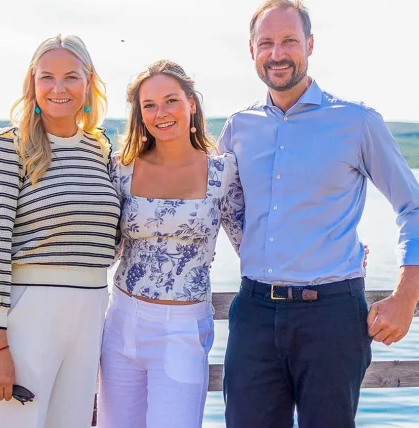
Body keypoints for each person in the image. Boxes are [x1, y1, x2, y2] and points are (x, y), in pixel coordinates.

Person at [219, 1, 419, 427]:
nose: (277, 54)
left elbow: (413, 207)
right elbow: (224, 212)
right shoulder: (238, 129)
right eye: (266, 43)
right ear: (251, 50)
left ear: (309, 45)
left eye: (289, 41)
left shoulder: (356, 122)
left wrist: (406, 296)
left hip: (331, 318)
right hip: (253, 313)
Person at [0, 34, 120, 428]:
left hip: (90, 315)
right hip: (27, 317)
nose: (58, 88)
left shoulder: (101, 151)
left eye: (70, 77)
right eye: (46, 77)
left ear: (88, 84)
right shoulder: (6, 148)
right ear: (32, 85)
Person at [97, 60, 244, 428]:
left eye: (171, 101)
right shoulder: (122, 169)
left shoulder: (222, 172)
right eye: (149, 105)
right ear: (140, 114)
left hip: (182, 327)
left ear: (191, 104)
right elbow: (102, 248)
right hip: (120, 322)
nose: (161, 113)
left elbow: (252, 246)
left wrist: (331, 255)